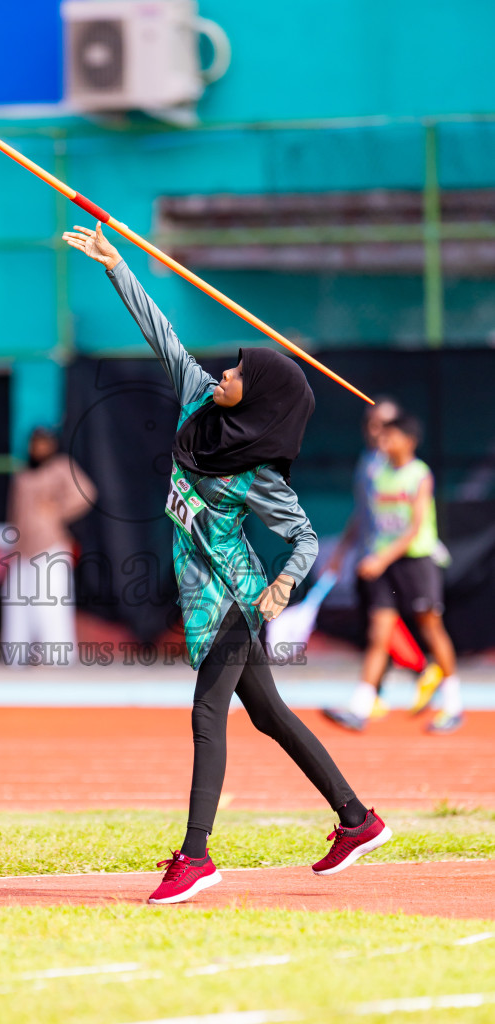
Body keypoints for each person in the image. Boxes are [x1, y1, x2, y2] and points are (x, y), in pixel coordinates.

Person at [62, 222, 392, 904]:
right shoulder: (196, 398)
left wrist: (278, 588)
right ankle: (356, 820)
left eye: (239, 371)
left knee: (207, 714)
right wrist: (115, 267)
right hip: (201, 592)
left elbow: (303, 539)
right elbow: (161, 334)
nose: (225, 372)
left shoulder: (258, 475)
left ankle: (194, 856)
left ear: (262, 400)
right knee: (268, 713)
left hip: (235, 597)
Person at [327, 414, 462, 735]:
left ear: (409, 441)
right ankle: (360, 707)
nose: (383, 443)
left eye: (390, 437)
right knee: (379, 634)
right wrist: (348, 551)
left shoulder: (419, 475)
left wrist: (381, 557)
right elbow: (364, 515)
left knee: (431, 628)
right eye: (381, 438)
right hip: (383, 564)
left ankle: (454, 705)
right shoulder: (377, 474)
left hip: (416, 561)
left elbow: (415, 528)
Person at [0, 427, 97, 666]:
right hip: (22, 549)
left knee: (50, 600)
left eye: (44, 443)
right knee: (18, 602)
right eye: (36, 443)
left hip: (50, 546)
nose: (39, 448)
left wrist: (57, 511)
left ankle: (55, 656)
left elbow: (86, 493)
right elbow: (14, 513)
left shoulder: (61, 467)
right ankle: (18, 655)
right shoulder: (23, 475)